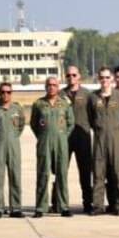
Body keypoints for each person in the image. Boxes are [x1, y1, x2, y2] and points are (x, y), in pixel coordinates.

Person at [31, 76, 75, 217]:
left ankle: (63, 206)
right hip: (44, 141)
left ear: (58, 87)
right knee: (43, 173)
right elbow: (34, 124)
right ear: (45, 87)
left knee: (62, 174)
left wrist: (63, 136)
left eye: (54, 85)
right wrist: (43, 135)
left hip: (61, 142)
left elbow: (70, 123)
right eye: (49, 85)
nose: (52, 87)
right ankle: (41, 207)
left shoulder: (65, 103)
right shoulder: (39, 104)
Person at [87, 67, 119, 214]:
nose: (104, 80)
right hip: (99, 137)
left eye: (107, 77)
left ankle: (118, 205)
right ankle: (98, 205)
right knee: (98, 173)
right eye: (101, 78)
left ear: (111, 79)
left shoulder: (118, 96)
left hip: (115, 137)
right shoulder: (92, 97)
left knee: (117, 173)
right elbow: (91, 118)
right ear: (99, 79)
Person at [0, 81, 25, 217]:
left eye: (8, 92)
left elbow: (20, 126)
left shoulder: (17, 109)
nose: (5, 94)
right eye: (2, 92)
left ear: (11, 93)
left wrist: (13, 137)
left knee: (15, 176)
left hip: (14, 146)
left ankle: (15, 207)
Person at [62, 65, 94, 214]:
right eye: (68, 76)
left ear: (79, 76)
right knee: (61, 171)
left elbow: (94, 115)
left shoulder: (87, 94)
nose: (71, 78)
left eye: (74, 75)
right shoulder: (61, 94)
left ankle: (88, 202)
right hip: (66, 137)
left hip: (83, 137)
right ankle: (60, 202)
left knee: (85, 172)